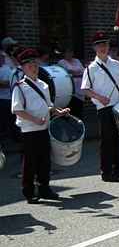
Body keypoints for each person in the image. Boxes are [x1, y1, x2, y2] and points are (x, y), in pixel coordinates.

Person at [11, 48, 70, 202]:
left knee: (45, 160)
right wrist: (34, 119)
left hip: (44, 128)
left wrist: (59, 112)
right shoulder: (20, 87)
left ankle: (44, 188)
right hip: (29, 130)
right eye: (29, 65)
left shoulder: (43, 85)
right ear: (23, 68)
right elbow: (17, 110)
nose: (33, 67)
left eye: (35, 64)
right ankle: (29, 192)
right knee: (30, 162)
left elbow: (48, 106)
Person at [81, 32, 119, 182]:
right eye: (100, 45)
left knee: (118, 138)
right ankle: (106, 171)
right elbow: (85, 89)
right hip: (103, 108)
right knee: (107, 140)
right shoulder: (91, 68)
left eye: (105, 44)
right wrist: (100, 97)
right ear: (95, 48)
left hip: (118, 105)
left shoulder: (116, 64)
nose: (103, 47)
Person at [58, 48, 86, 119]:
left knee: (79, 107)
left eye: (71, 52)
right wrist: (76, 72)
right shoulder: (61, 62)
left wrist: (74, 72)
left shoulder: (77, 60)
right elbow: (65, 72)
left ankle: (79, 123)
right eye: (68, 52)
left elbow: (83, 71)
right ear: (64, 54)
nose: (69, 54)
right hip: (69, 88)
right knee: (71, 108)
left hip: (79, 87)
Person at [0, 52, 13, 139]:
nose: (2, 59)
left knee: (9, 119)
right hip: (3, 99)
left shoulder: (8, 68)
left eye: (3, 57)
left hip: (8, 98)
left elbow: (10, 83)